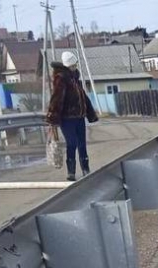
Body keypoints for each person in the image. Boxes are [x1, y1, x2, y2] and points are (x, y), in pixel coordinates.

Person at [46, 51, 99, 182]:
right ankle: (71, 172)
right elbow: (57, 99)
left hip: (79, 117)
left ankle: (86, 169)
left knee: (82, 144)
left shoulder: (75, 79)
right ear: (68, 66)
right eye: (73, 65)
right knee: (72, 143)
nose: (75, 67)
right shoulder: (61, 79)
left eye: (76, 65)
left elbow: (83, 98)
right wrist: (53, 117)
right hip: (67, 118)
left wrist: (91, 114)